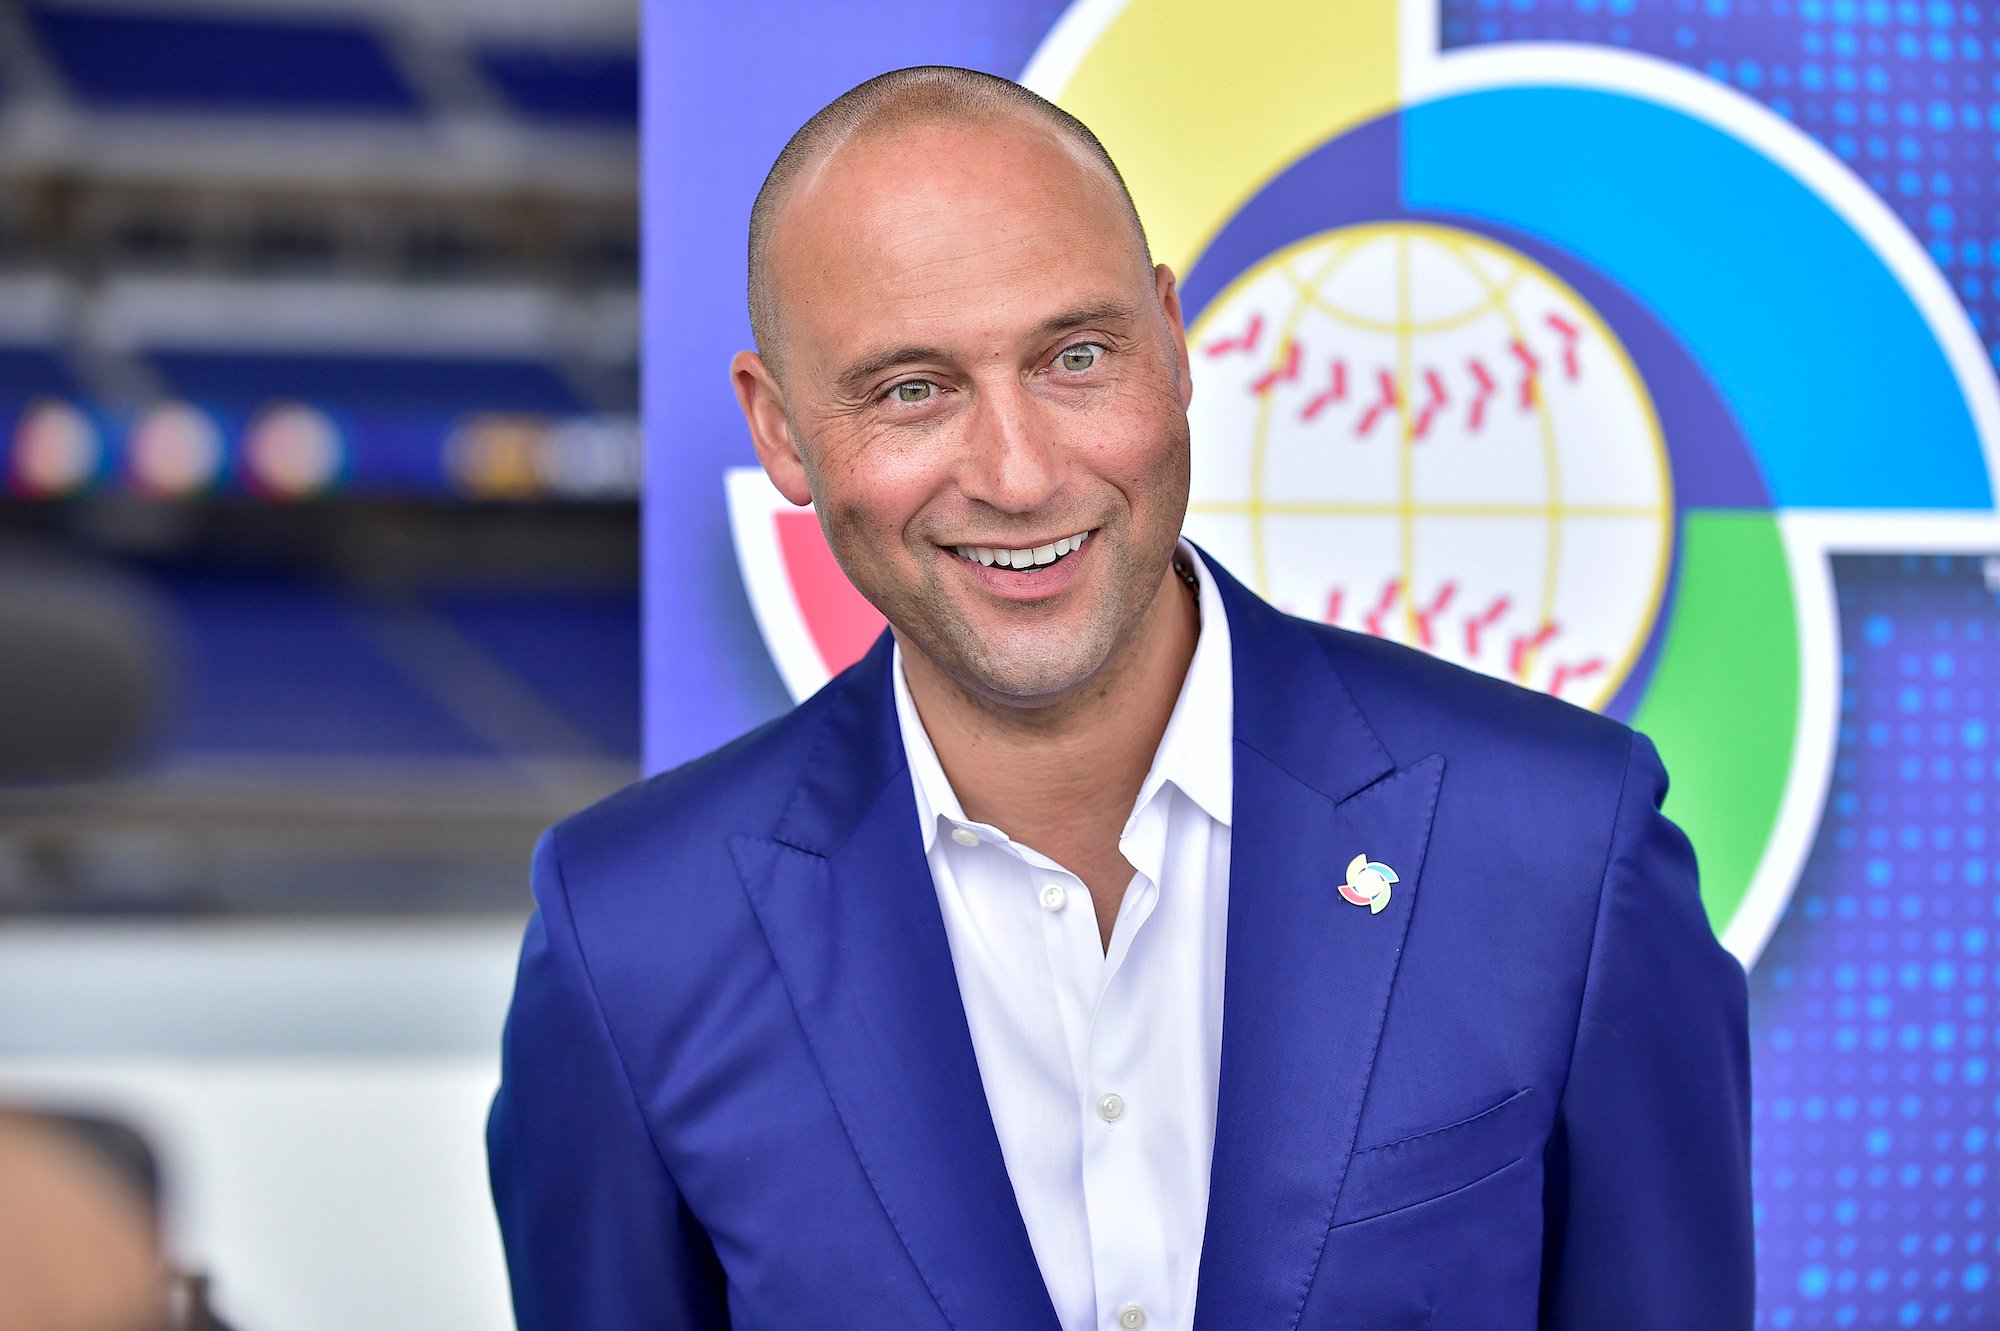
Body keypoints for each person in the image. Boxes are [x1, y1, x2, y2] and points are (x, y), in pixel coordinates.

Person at [488, 66, 1753, 1330]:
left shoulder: (1561, 846)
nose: (1020, 471)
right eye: (910, 389)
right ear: (778, 429)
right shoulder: (630, 938)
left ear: (1170, 337)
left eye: (1076, 355)